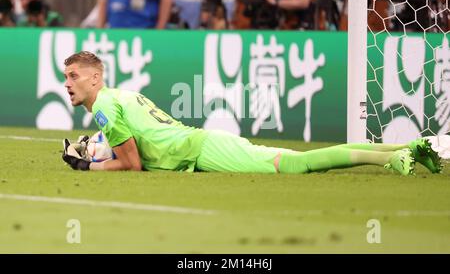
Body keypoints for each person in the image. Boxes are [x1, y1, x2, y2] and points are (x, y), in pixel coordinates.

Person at [61, 51, 443, 176]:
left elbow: (133, 166)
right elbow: (134, 146)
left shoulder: (105, 108)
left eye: (74, 75)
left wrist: (89, 166)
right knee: (296, 159)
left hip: (202, 149)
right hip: (199, 144)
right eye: (66, 77)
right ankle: (406, 146)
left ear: (95, 78)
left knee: (294, 165)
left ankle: (394, 158)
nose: (68, 83)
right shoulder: (117, 97)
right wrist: (97, 147)